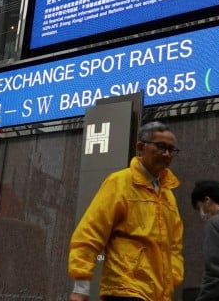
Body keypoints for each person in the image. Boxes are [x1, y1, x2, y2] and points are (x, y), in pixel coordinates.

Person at [68, 120, 185, 301]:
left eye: (171, 149)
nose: (167, 154)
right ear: (140, 146)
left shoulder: (168, 195)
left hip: (159, 294)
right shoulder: (120, 183)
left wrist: (173, 276)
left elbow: (174, 245)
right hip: (124, 289)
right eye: (161, 147)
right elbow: (90, 232)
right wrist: (81, 287)